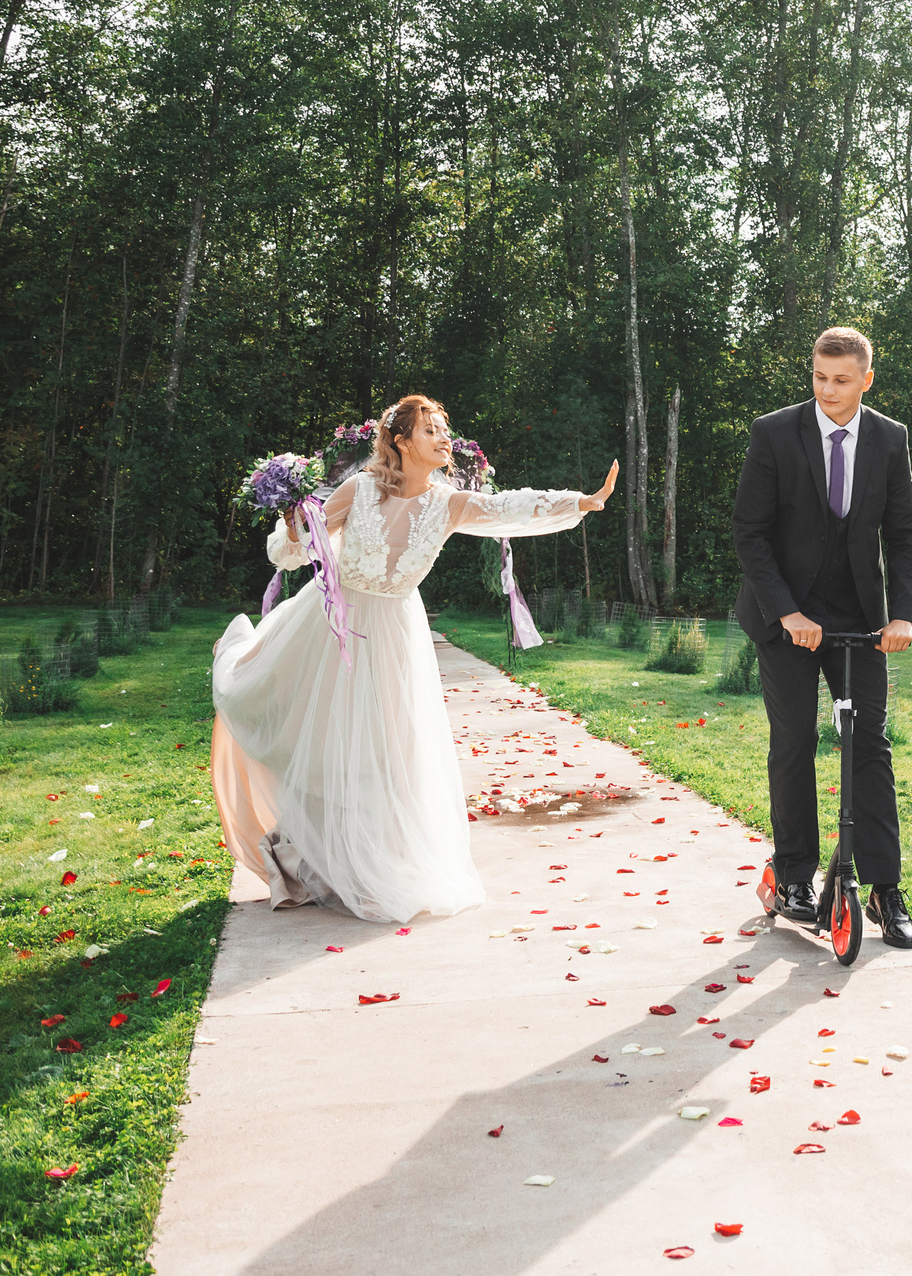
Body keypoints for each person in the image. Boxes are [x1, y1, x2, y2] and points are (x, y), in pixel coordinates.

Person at [209, 395, 616, 922]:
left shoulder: (449, 503)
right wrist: (293, 522)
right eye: (431, 430)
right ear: (400, 441)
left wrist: (581, 502)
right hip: (330, 627)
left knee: (386, 752)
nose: (445, 439)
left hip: (395, 637)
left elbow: (508, 508)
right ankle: (306, 856)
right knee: (325, 743)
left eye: (445, 429)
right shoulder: (359, 489)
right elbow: (292, 552)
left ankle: (370, 862)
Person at [732, 327, 912, 948]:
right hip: (784, 615)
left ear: (866, 380)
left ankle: (885, 889)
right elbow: (750, 533)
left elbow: (904, 534)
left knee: (869, 745)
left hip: (860, 618)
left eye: (841, 380)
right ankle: (794, 876)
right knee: (794, 739)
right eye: (819, 377)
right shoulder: (773, 433)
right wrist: (787, 613)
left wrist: (902, 615)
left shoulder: (889, 439)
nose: (828, 390)